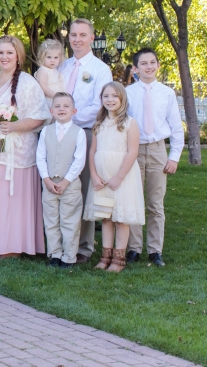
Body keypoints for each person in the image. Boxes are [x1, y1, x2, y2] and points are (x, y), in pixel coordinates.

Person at [0, 35, 50, 258]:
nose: (4, 57)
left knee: (12, 198)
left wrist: (14, 127)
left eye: (9, 53)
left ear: (18, 56)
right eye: (0, 53)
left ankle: (14, 246)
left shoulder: (28, 82)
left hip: (17, 149)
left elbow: (39, 117)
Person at [58, 18, 113, 263]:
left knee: (83, 187)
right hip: (60, 133)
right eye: (73, 35)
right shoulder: (62, 66)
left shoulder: (101, 69)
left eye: (82, 35)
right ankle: (61, 241)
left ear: (92, 38)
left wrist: (72, 117)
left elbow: (99, 104)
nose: (77, 39)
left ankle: (84, 246)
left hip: (85, 132)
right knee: (62, 184)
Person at [125, 48, 183, 267]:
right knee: (134, 200)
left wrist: (174, 157)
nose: (149, 67)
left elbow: (177, 128)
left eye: (152, 62)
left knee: (155, 203)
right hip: (134, 149)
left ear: (157, 65)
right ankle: (133, 248)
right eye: (144, 63)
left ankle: (155, 250)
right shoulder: (128, 93)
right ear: (136, 68)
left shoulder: (167, 93)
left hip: (158, 150)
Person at [83, 82, 144, 272]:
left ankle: (119, 259)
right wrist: (93, 175)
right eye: (106, 96)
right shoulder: (98, 123)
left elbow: (132, 152)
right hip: (101, 176)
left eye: (114, 96)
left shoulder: (129, 123)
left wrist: (119, 177)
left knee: (120, 218)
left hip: (122, 176)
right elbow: (92, 151)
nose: (110, 100)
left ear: (122, 98)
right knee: (105, 217)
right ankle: (105, 257)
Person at [36, 92, 87, 268]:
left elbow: (79, 160)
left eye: (66, 106)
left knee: (70, 221)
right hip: (49, 184)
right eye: (57, 106)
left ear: (74, 111)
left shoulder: (79, 133)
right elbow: (40, 157)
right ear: (51, 111)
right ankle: (54, 254)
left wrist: (66, 181)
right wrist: (46, 179)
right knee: (51, 220)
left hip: (70, 185)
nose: (61, 109)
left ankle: (69, 256)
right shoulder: (45, 132)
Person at [34, 38, 66, 109]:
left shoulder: (54, 70)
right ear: (42, 57)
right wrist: (56, 96)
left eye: (56, 57)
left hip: (57, 99)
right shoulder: (43, 71)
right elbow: (44, 87)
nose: (52, 60)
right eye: (49, 57)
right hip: (49, 99)